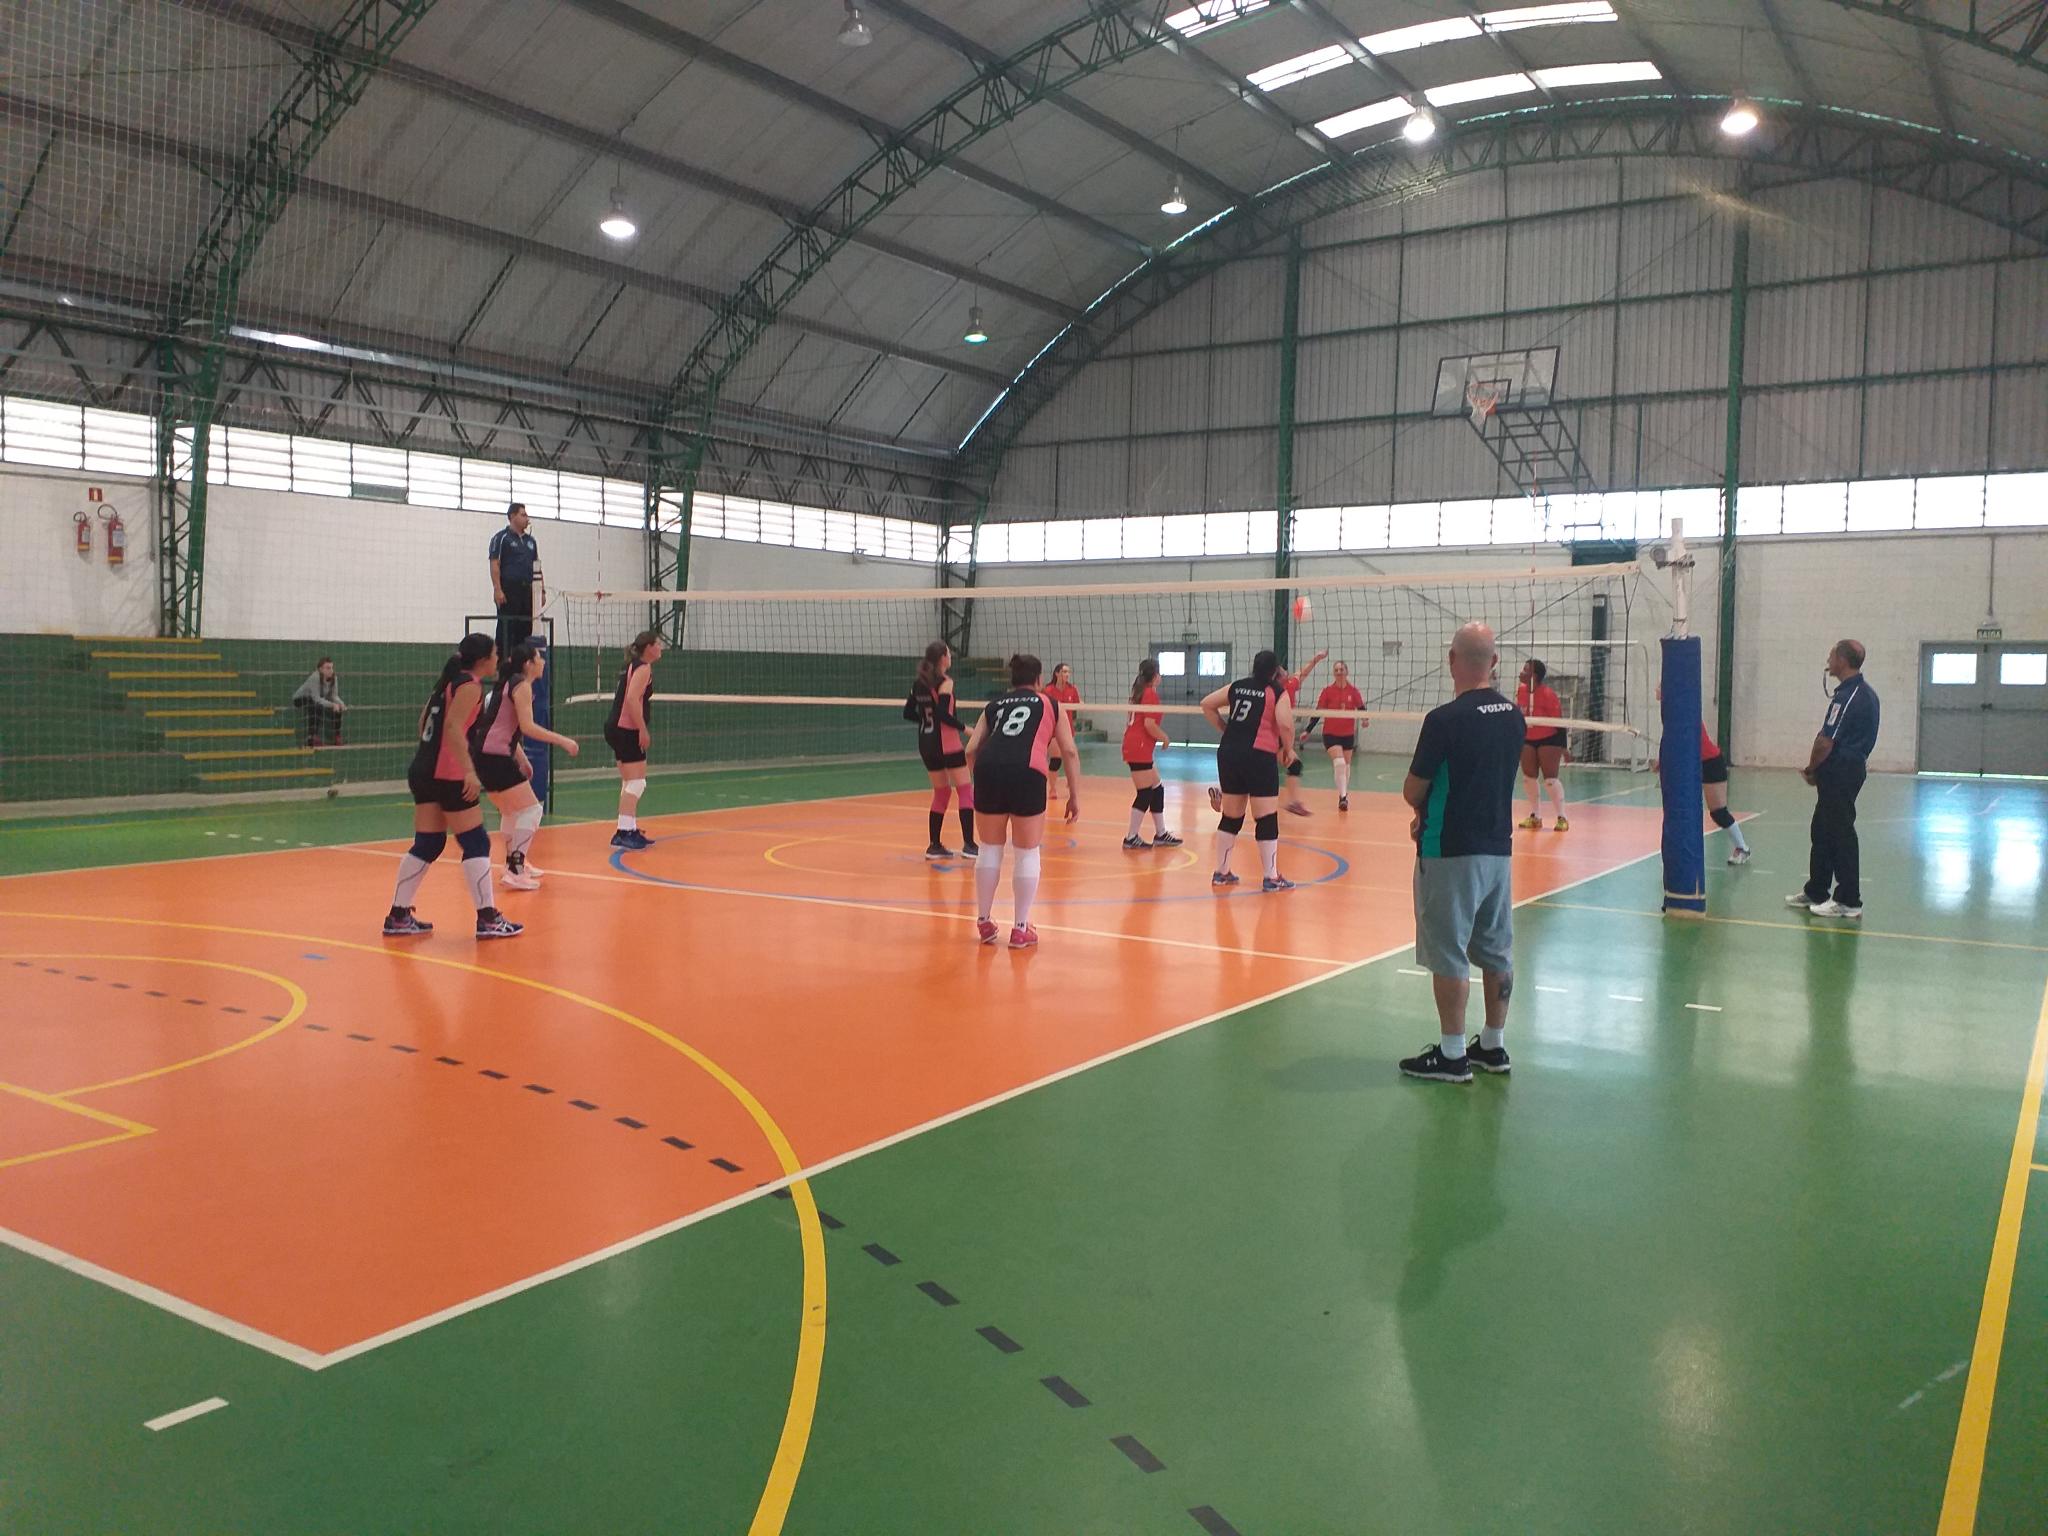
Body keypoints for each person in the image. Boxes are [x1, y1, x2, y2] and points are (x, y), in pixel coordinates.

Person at [1398, 622, 1523, 1084]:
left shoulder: (1444, 720)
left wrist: (1422, 811)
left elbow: (1413, 789)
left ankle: (1452, 1055)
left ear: (1452, 660)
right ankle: (1493, 1045)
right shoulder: (1514, 716)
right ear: (1494, 662)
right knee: (1496, 950)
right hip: (1498, 851)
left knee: (1449, 951)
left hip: (1449, 850)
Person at [383, 633, 521, 940]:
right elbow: (453, 728)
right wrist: (468, 771)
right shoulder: (470, 686)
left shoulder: (446, 684)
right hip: (448, 773)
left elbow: (424, 725)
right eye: (495, 654)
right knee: (476, 843)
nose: (498, 658)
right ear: (483, 660)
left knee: (429, 843)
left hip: (423, 769)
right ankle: (488, 918)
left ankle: (399, 915)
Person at [964, 653, 1080, 949]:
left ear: (1012, 679)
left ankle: (984, 921)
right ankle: (1020, 928)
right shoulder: (1050, 704)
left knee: (989, 848)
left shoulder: (994, 705)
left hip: (988, 769)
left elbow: (971, 749)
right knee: (1027, 851)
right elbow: (1069, 751)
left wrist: (981, 779)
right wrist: (1074, 795)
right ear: (1039, 679)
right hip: (1028, 771)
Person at [472, 643, 581, 891]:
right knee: (532, 810)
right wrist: (563, 741)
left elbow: (504, 726)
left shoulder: (509, 684)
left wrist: (521, 759)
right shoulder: (521, 685)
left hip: (485, 755)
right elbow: (528, 726)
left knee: (511, 812)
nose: (543, 662)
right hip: (494, 756)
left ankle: (512, 864)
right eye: (539, 658)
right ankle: (515, 869)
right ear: (528, 664)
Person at [1788, 639, 1879, 919]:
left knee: (1840, 833)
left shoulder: (1850, 696)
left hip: (1842, 771)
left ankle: (1849, 900)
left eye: (1831, 656)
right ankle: (1817, 890)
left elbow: (1825, 741)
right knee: (1822, 829)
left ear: (1842, 660)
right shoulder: (1857, 693)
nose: (1828, 661)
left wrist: (1812, 768)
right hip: (1838, 770)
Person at [1201, 649, 1296, 893]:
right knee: (1266, 817)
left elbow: (1207, 704)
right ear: (1275, 670)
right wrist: (1289, 749)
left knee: (1232, 815)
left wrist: (1226, 728)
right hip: (1259, 755)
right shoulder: (1277, 691)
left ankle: (1221, 873)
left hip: (1229, 753)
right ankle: (1271, 877)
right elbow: (1285, 724)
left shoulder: (1237, 686)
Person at [1653, 693, 1752, 867]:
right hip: (1692, 765)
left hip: (1710, 762)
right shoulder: (1670, 715)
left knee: (1718, 812)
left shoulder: (1685, 712)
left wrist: (1664, 762)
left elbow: (1682, 745)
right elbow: (1672, 743)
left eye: (1662, 686)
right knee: (1682, 809)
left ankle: (1742, 848)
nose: (1658, 690)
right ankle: (1677, 854)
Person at [904, 640, 977, 859]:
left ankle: (934, 846)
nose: (950, 657)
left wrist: (927, 723)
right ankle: (969, 845)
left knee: (942, 792)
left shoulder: (919, 683)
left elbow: (908, 713)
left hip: (926, 744)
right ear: (943, 658)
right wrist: (966, 729)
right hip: (947, 743)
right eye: (949, 654)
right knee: (965, 789)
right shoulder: (945, 682)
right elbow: (943, 714)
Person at [604, 630, 663, 851]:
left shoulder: (632, 665)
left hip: (616, 728)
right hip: (626, 730)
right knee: (637, 783)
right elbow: (631, 699)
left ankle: (628, 828)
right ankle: (623, 832)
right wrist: (642, 729)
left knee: (630, 782)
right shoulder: (643, 668)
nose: (661, 648)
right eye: (658, 644)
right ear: (649, 648)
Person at [1120, 658, 1180, 849]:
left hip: (1137, 745)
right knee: (1145, 793)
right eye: (1159, 673)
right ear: (1154, 676)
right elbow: (1149, 725)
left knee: (1157, 788)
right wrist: (1165, 737)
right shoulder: (1149, 694)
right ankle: (1131, 837)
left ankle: (1161, 833)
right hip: (1138, 747)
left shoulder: (1137, 693)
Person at [1515, 658, 1568, 832]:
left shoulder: (1548, 694)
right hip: (1528, 738)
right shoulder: (1521, 691)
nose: (1521, 672)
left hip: (1549, 738)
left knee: (1550, 779)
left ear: (1534, 676)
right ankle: (1535, 816)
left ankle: (1562, 817)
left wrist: (1564, 747)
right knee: (1528, 777)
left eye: (1525, 670)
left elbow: (1559, 722)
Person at [489, 502, 542, 653]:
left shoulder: (531, 541)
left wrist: (541, 592)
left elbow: (537, 567)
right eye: (523, 515)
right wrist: (497, 589)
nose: (527, 518)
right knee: (506, 629)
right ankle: (502, 661)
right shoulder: (501, 538)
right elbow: (495, 564)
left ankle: (521, 662)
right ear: (512, 516)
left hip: (527, 591)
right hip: (509, 590)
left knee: (525, 629)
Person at [1280, 650, 1327, 816]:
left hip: (1281, 736)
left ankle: (1293, 803)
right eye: (1282, 671)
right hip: (1272, 735)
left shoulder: (1290, 684)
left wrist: (1316, 658)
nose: (1287, 671)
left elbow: (1303, 672)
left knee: (1294, 765)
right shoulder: (1272, 689)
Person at [1314, 660, 1366, 811]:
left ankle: (1343, 793)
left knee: (1346, 766)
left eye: (1341, 669)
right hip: (1330, 734)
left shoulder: (1353, 691)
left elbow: (1361, 707)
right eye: (1336, 670)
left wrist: (1365, 719)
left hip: (1347, 734)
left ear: (1346, 672)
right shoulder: (1327, 691)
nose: (1338, 672)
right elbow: (1318, 711)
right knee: (1340, 763)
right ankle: (1343, 798)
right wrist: (1308, 730)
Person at [1044, 663, 1082, 803]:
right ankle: (1052, 788)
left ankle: (1071, 783)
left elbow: (1077, 704)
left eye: (1068, 672)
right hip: (1053, 730)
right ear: (1057, 673)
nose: (1067, 674)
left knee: (1071, 757)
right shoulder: (1048, 690)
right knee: (1056, 759)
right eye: (1064, 672)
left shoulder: (1072, 689)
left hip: (1068, 729)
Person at [292, 657, 347, 747]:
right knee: (316, 706)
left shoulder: (334, 678)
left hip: (316, 698)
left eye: (332, 667)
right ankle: (312, 737)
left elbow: (334, 696)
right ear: (320, 669)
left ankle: (337, 736)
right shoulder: (315, 677)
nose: (331, 670)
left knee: (337, 707)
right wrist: (332, 704)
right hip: (300, 698)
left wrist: (341, 703)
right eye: (328, 668)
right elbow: (316, 698)